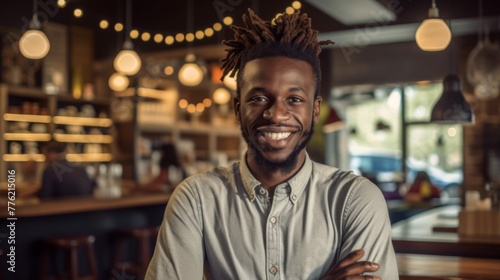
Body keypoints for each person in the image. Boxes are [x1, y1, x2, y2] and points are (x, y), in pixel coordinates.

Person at [146, 9, 398, 279]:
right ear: (237, 109)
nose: (276, 114)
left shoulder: (355, 200)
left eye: (294, 99)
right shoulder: (196, 198)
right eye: (258, 98)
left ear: (315, 110)